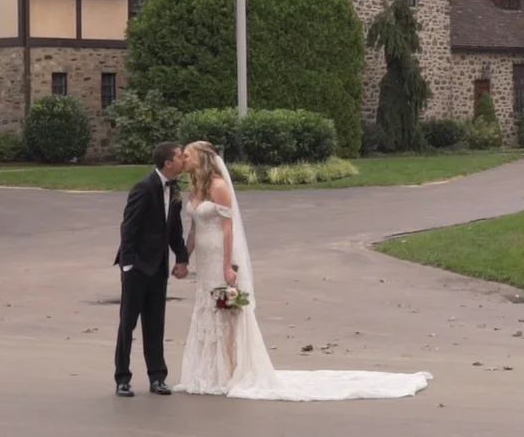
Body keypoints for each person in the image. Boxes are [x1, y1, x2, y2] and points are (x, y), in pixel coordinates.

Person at [174, 140, 431, 401]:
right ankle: (209, 371)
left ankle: (229, 370)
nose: (183, 159)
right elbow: (195, 228)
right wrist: (184, 258)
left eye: (187, 155)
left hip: (220, 257)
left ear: (202, 159)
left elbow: (228, 229)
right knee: (206, 310)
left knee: (226, 311)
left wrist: (227, 264)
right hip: (204, 263)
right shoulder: (195, 188)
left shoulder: (219, 187)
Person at [112, 141, 189, 398]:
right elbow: (128, 227)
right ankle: (122, 378)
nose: (184, 159)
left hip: (158, 268)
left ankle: (157, 377)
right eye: (180, 156)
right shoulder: (144, 188)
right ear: (168, 163)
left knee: (156, 323)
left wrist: (181, 257)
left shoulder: (174, 188)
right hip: (136, 268)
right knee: (127, 323)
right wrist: (129, 263)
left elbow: (174, 228)